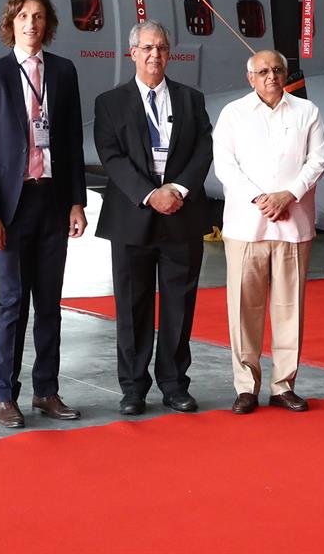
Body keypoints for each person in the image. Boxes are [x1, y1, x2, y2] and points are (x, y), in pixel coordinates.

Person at [0, 0, 88, 429]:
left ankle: (46, 390)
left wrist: (77, 201)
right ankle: (5, 394)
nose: (31, 24)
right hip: (11, 205)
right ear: (11, 23)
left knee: (51, 303)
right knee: (13, 302)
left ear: (47, 24)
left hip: (53, 200)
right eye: (23, 16)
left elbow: (73, 141)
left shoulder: (64, 72)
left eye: (38, 16)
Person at [93, 21, 213, 416]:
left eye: (161, 48)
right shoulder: (110, 103)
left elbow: (203, 149)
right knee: (132, 306)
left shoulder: (191, 99)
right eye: (147, 48)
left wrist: (176, 190)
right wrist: (150, 194)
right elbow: (111, 157)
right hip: (132, 217)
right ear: (133, 53)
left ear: (169, 53)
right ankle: (133, 388)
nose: (154, 55)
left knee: (179, 304)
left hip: (181, 216)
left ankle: (175, 385)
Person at [212, 49, 324, 415]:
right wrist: (260, 198)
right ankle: (246, 386)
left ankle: (283, 385)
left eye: (277, 70)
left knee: (289, 309)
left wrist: (288, 195)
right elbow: (225, 165)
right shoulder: (233, 114)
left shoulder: (307, 112)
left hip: (293, 225)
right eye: (263, 71)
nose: (271, 77)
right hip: (247, 225)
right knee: (243, 309)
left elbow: (318, 161)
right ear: (250, 77)